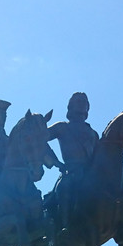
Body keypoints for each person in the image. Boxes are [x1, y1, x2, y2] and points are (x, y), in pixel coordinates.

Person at [47, 92, 99, 232]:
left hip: (90, 173)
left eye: (84, 101)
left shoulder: (93, 133)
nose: (82, 103)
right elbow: (40, 139)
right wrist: (55, 161)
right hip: (70, 171)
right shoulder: (62, 127)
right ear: (70, 106)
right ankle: (65, 226)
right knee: (65, 187)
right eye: (78, 101)